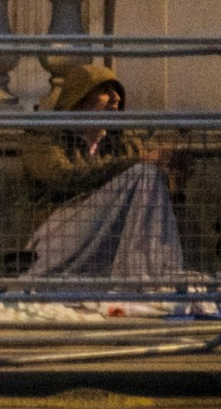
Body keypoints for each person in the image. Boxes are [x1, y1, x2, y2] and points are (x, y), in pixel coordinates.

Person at [22, 62, 192, 285]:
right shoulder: (43, 135)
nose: (116, 99)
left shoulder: (122, 143)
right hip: (59, 236)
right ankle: (156, 277)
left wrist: (174, 182)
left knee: (149, 173)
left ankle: (152, 277)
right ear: (78, 97)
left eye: (118, 93)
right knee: (143, 169)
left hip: (109, 237)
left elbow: (149, 207)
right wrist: (138, 161)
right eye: (105, 91)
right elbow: (63, 175)